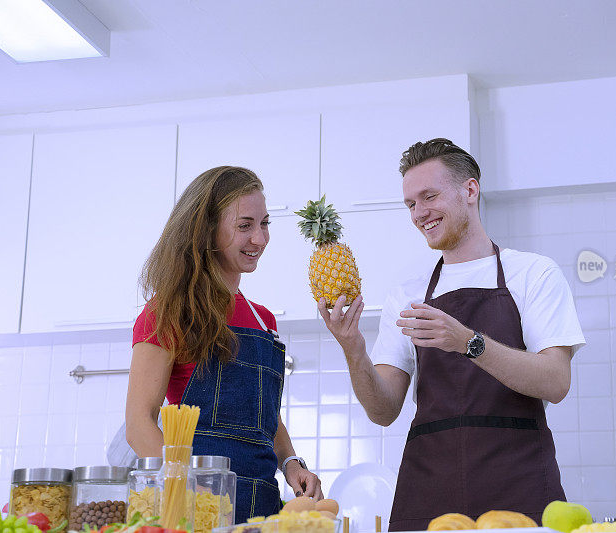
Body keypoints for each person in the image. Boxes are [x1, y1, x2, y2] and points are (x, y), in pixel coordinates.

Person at [319, 139, 585, 530]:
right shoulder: (406, 293)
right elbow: (383, 410)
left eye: (429, 196)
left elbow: (556, 381)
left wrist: (467, 342)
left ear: (470, 190)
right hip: (429, 490)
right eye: (410, 204)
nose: (419, 213)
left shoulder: (533, 273)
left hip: (518, 484)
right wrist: (353, 348)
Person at [125, 166, 321, 523]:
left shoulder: (264, 321)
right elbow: (139, 424)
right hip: (192, 511)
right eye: (245, 225)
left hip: (261, 510)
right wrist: (189, 493)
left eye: (265, 224)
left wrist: (292, 464)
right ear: (206, 230)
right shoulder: (168, 313)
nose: (259, 239)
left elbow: (263, 415)